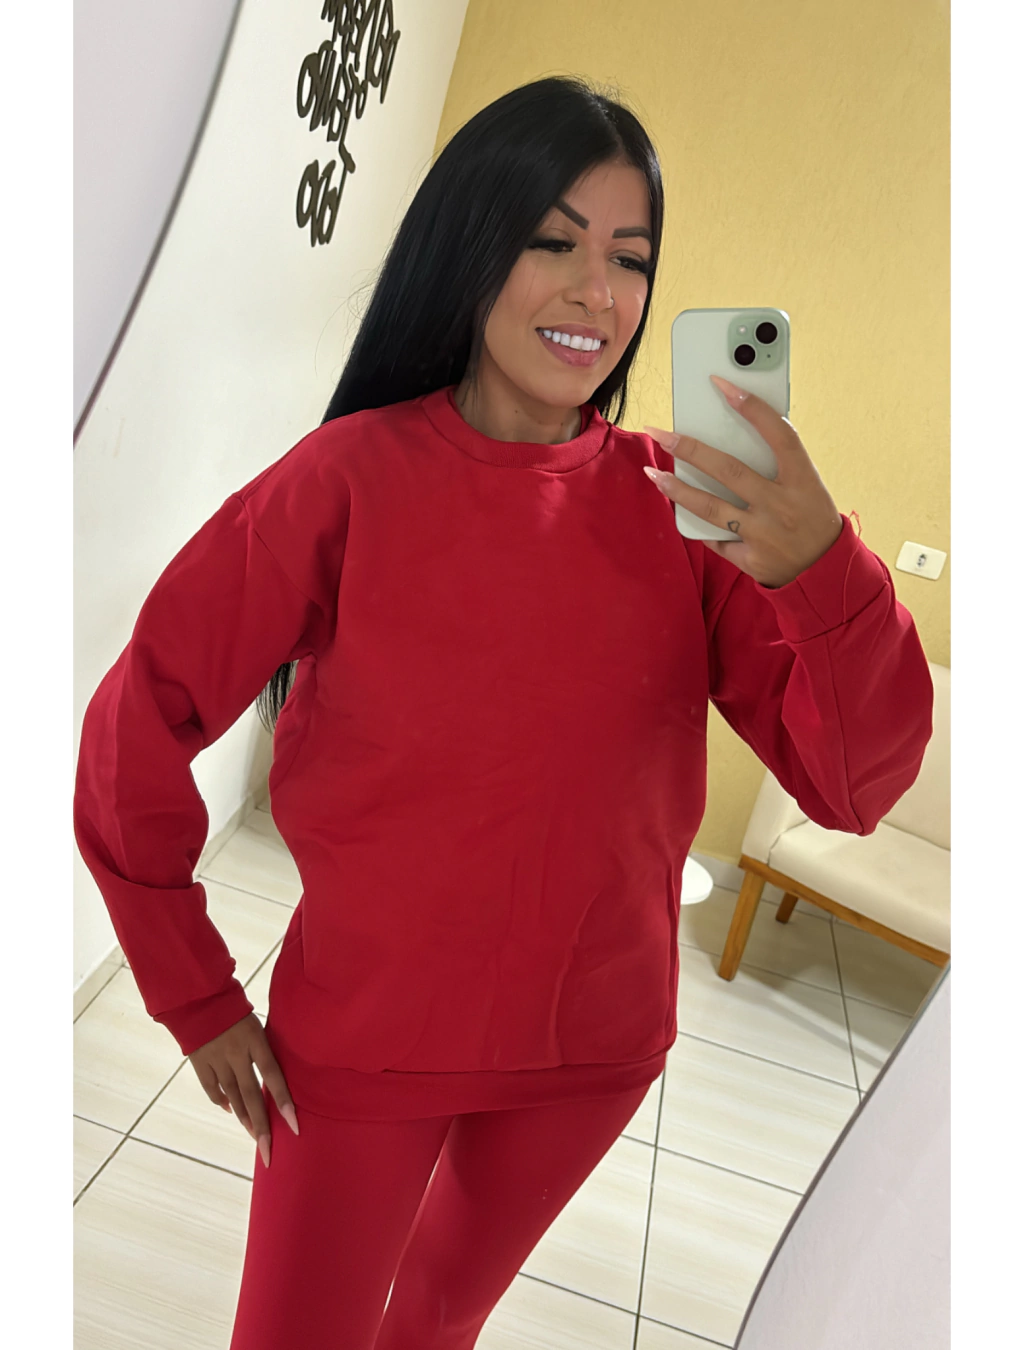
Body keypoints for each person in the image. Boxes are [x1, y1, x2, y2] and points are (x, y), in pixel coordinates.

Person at [73, 75, 933, 1349]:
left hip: (591, 1050)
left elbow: (852, 788)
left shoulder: (685, 511)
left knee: (436, 1325)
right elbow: (136, 726)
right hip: (365, 1045)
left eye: (629, 259)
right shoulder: (343, 482)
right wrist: (193, 993)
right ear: (470, 245)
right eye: (552, 241)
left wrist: (823, 573)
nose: (597, 292)